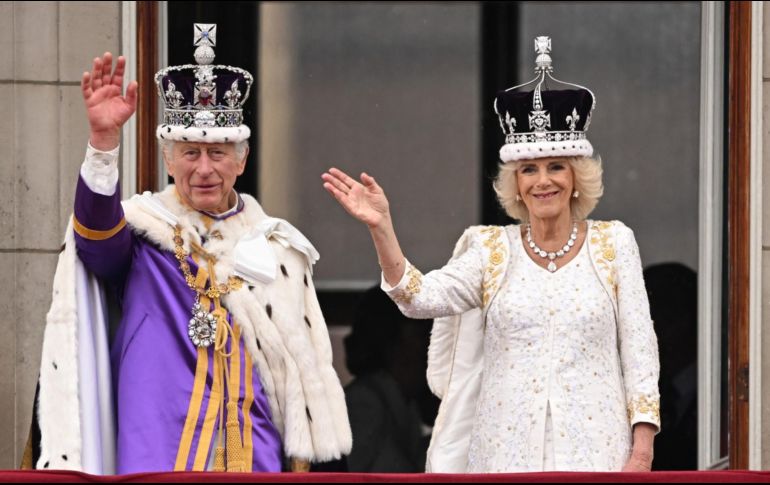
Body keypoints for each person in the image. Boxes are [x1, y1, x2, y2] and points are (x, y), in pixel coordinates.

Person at [322, 36, 660, 473]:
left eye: (556, 166)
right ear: (515, 183)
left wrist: (642, 450)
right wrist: (381, 228)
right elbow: (418, 297)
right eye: (529, 170)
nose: (544, 181)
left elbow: (639, 351)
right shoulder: (490, 250)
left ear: (576, 176)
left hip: (596, 453)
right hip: (504, 455)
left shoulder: (614, 244)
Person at [24, 24, 351, 474]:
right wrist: (102, 144)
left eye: (217, 153)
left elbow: (300, 373)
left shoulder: (278, 248)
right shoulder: (144, 233)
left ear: (242, 159)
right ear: (167, 158)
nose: (203, 169)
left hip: (252, 449)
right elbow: (96, 241)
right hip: (158, 445)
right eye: (189, 152)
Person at [343, 286, 438, 472]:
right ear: (392, 342)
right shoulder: (363, 404)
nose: (430, 348)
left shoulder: (405, 408)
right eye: (421, 335)